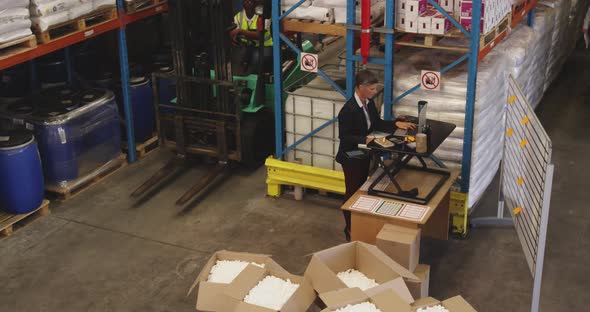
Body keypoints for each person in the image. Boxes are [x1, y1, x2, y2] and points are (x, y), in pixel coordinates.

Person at [336, 70, 416, 242]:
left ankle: (358, 223)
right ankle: (350, 227)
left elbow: (377, 123)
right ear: (360, 88)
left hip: (364, 151)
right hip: (351, 154)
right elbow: (345, 136)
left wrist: (396, 123)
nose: (374, 92)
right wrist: (365, 138)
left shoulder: (369, 103)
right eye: (371, 89)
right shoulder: (348, 110)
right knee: (352, 191)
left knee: (362, 187)